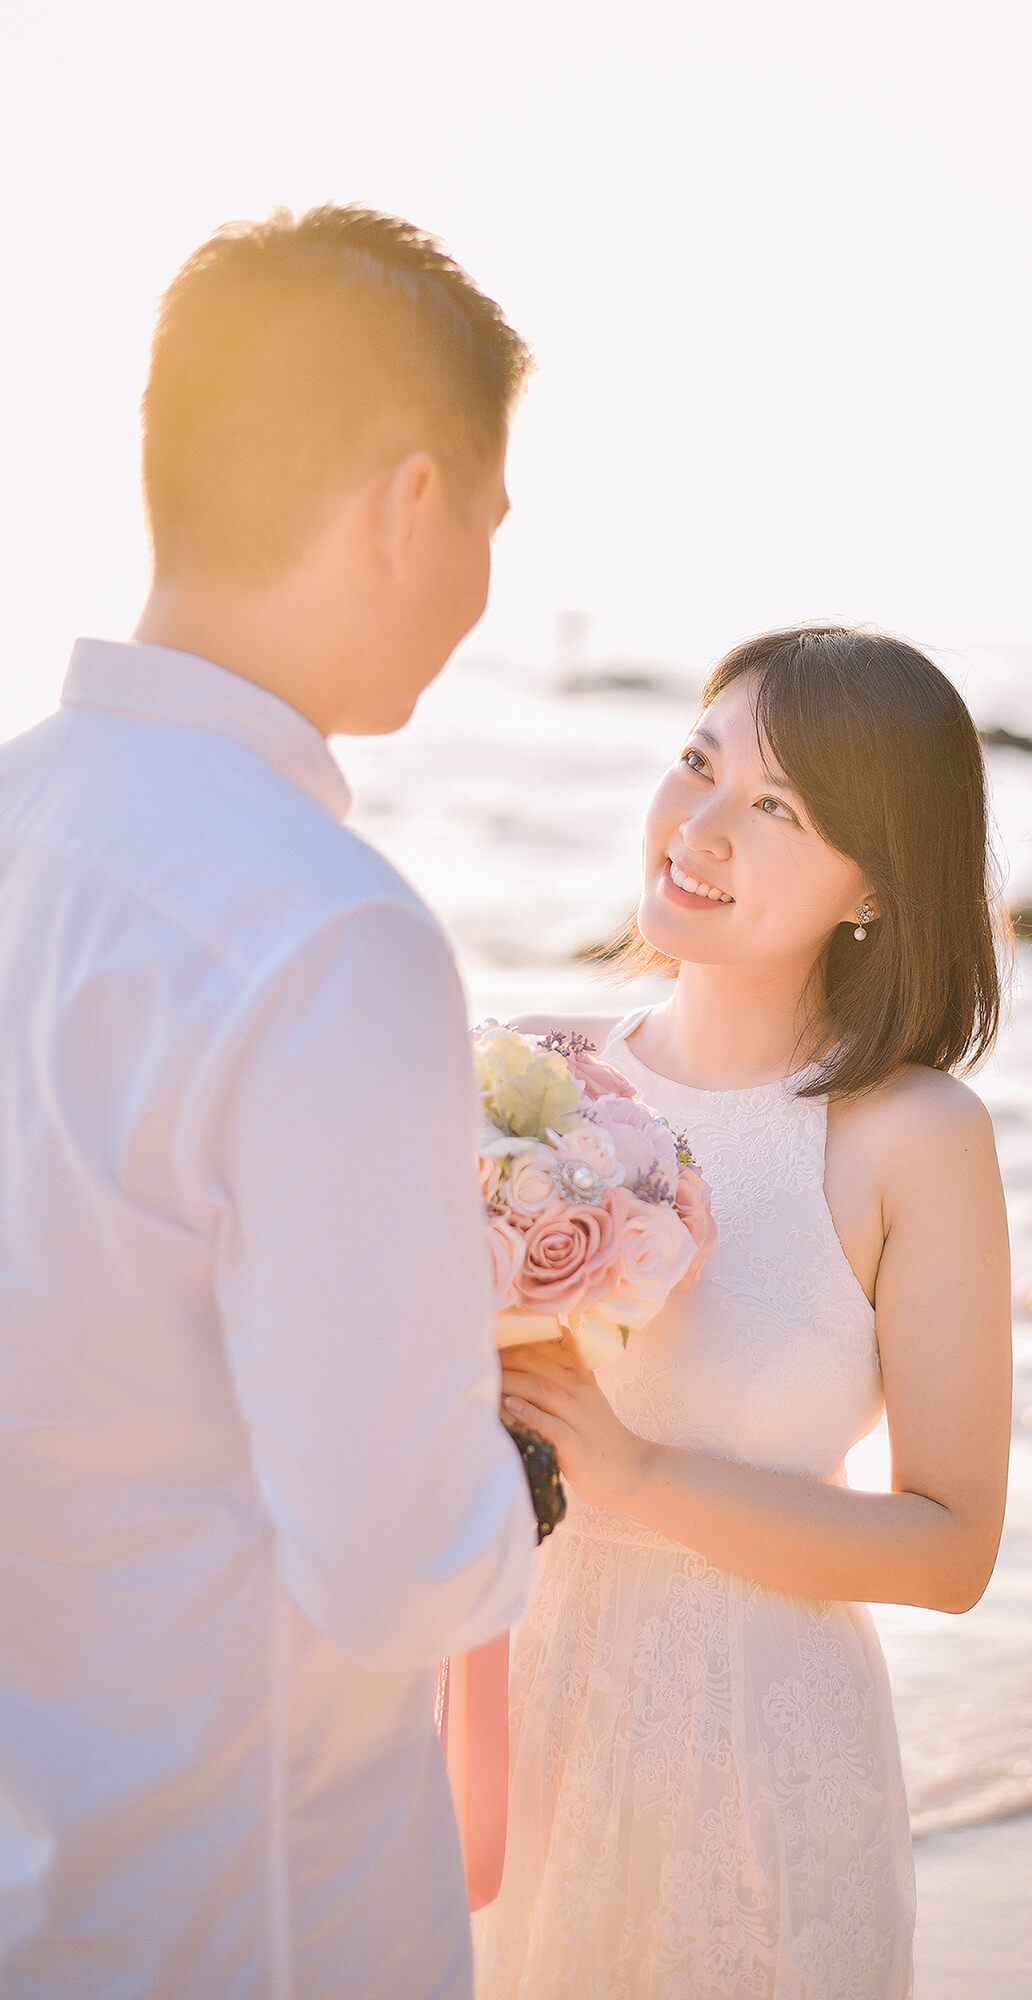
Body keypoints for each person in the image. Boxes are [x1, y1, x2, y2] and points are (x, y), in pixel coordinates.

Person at [0, 206, 536, 1999]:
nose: (479, 587)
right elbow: (396, 1569)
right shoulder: (326, 938)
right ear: (405, 504)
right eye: (486, 522)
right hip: (244, 1907)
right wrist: (531, 1460)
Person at [476, 626, 1013, 1999]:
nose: (699, 830)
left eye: (774, 809)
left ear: (875, 887)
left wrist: (635, 1473)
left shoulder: (908, 1136)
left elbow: (947, 1548)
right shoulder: (525, 1077)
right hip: (500, 1720)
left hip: (755, 1760)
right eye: (696, 765)